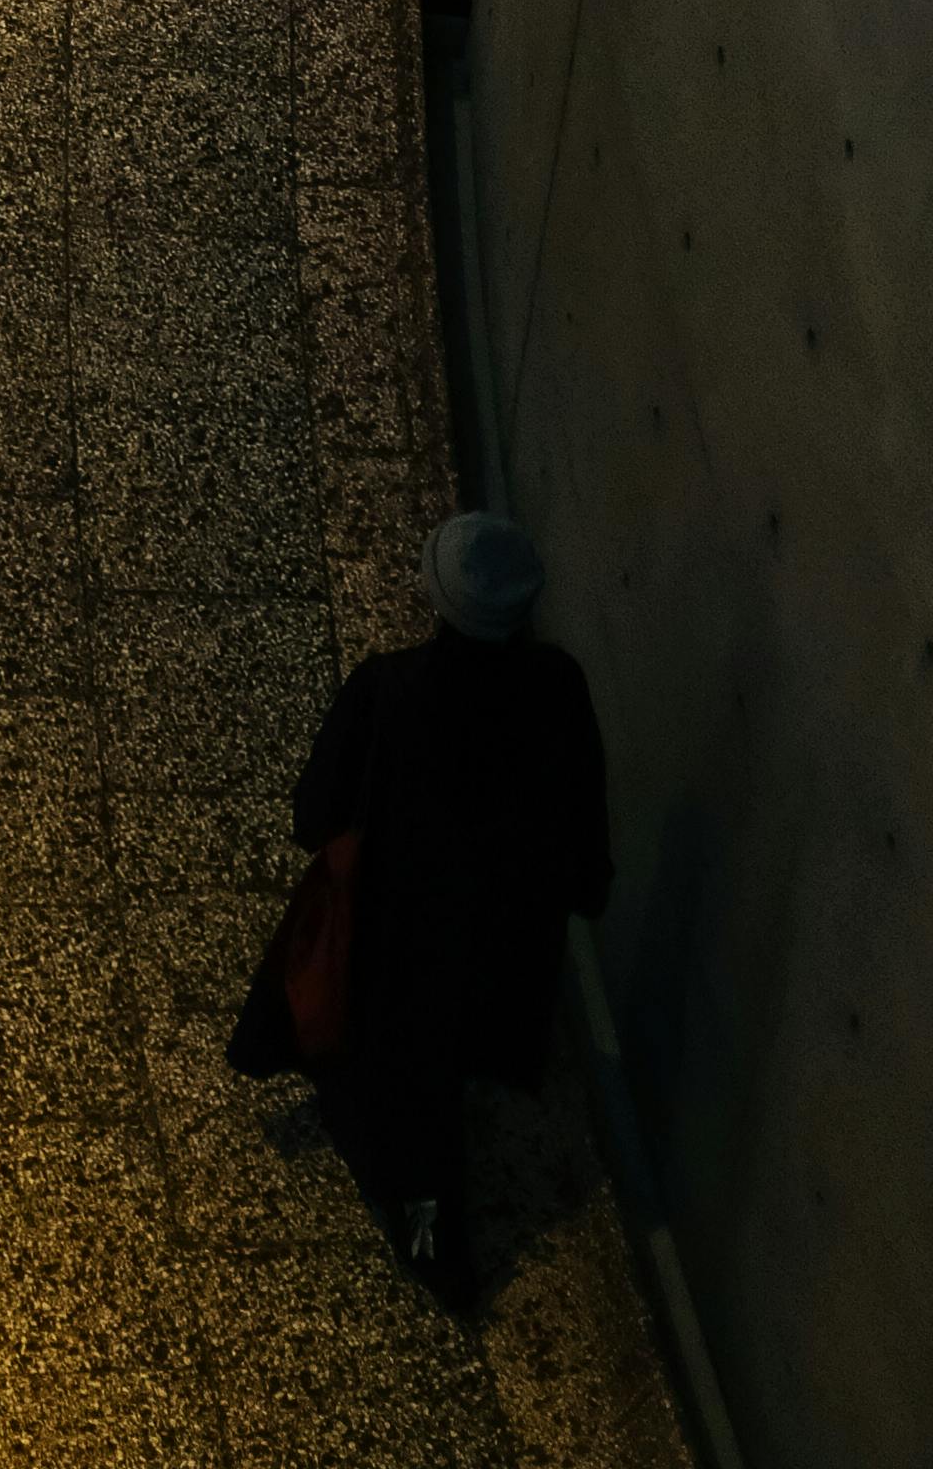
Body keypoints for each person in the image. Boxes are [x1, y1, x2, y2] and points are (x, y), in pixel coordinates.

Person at [237, 511, 615, 1314]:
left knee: (412, 1111)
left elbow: (317, 813)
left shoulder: (389, 690)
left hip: (400, 942)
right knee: (459, 1057)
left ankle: (431, 1243)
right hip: (507, 941)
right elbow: (581, 819)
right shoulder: (557, 686)